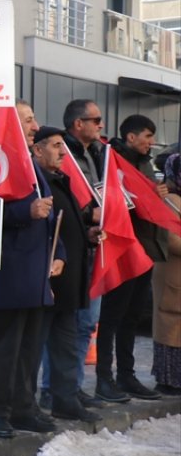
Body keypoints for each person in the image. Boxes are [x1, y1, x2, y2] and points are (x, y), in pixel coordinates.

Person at [0, 116, 62, 438]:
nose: (35, 125)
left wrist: (60, 255)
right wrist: (23, 213)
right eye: (27, 119)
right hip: (11, 275)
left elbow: (51, 218)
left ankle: (23, 409)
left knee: (29, 349)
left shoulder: (33, 166)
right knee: (4, 351)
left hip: (37, 276)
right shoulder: (0, 158)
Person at [33, 127, 103, 422]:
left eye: (63, 146)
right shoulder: (36, 182)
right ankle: (26, 404)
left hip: (69, 278)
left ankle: (66, 398)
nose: (63, 152)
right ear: (38, 150)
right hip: (46, 279)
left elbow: (66, 225)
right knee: (34, 346)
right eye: (56, 146)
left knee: (65, 342)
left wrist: (88, 233)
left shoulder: (59, 180)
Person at [96, 115, 165, 401]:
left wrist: (156, 194)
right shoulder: (113, 160)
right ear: (131, 137)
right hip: (123, 249)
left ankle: (127, 375)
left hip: (145, 249)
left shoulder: (144, 163)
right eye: (147, 136)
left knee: (132, 317)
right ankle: (104, 378)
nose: (150, 142)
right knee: (112, 316)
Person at [60, 99, 113, 403]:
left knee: (86, 324)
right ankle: (57, 388)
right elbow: (64, 202)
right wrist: (88, 216)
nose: (101, 125)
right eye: (96, 119)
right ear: (78, 124)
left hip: (94, 248)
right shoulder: (64, 153)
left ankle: (74, 387)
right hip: (71, 253)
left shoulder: (96, 153)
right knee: (68, 326)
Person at [152, 154, 181, 395]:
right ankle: (168, 379)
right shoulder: (170, 200)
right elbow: (171, 239)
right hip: (172, 274)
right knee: (170, 325)